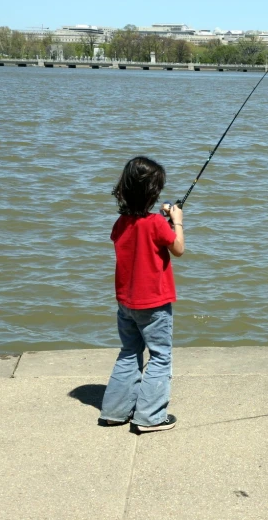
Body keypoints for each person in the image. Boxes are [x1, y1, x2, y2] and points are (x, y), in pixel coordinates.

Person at [100, 156, 185, 433]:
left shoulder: (121, 222)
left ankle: (114, 412)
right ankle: (150, 417)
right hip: (154, 305)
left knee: (129, 352)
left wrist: (159, 220)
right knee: (160, 357)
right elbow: (178, 249)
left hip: (126, 303)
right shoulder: (158, 225)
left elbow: (139, 234)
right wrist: (177, 222)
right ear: (153, 193)